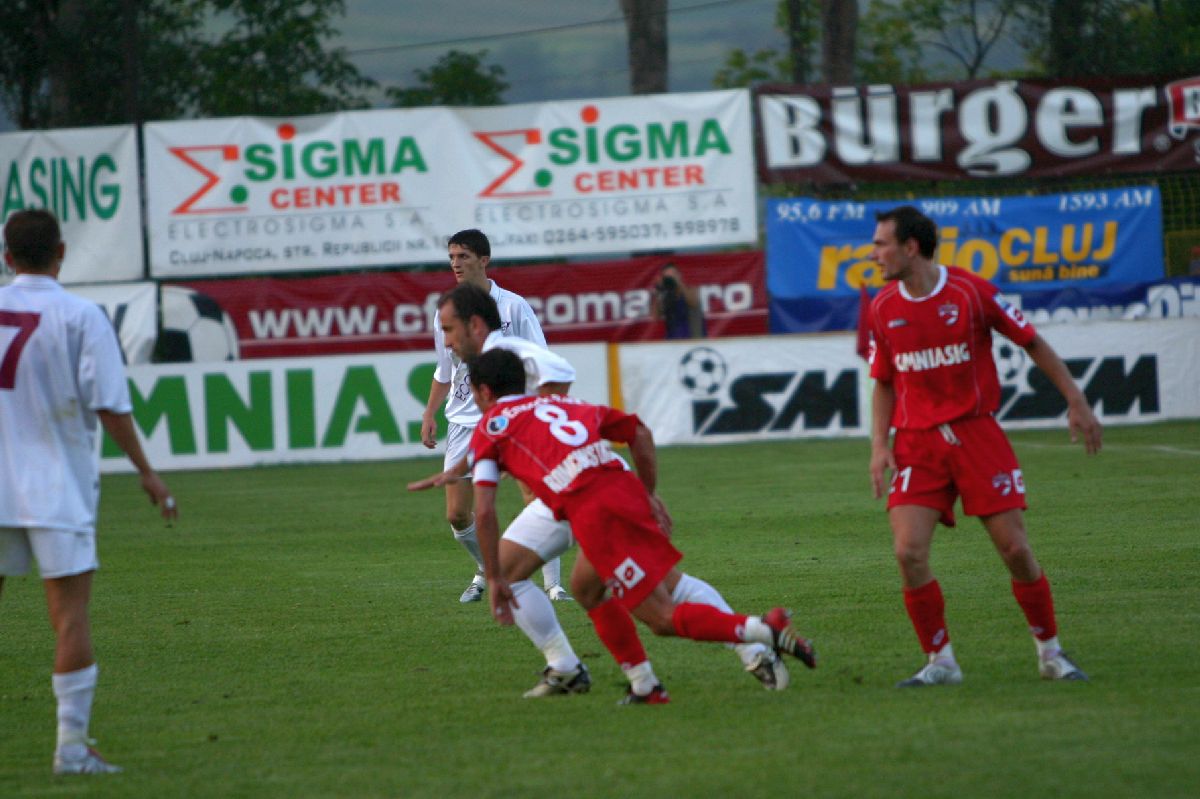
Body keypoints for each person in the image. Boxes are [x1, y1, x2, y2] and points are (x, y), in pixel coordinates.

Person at [410, 283, 791, 697]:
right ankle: (569, 668)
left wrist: (538, 438)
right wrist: (473, 463)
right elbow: (510, 423)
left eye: (449, 330)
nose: (445, 341)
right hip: (569, 487)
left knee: (662, 592)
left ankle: (754, 649)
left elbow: (557, 376)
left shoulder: (514, 350)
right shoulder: (489, 364)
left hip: (586, 483)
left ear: (475, 325)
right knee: (525, 573)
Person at [459, 347, 816, 703]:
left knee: (661, 616)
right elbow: (639, 432)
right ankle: (644, 685)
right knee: (585, 586)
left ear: (484, 392)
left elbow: (486, 512)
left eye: (447, 328)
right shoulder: (563, 403)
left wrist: (490, 577)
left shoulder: (491, 425)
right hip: (615, 487)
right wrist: (646, 494)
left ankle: (764, 631)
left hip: (594, 509)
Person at [866, 205, 1102, 687]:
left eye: (881, 244)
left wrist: (1075, 400)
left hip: (976, 435)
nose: (874, 254)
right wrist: (879, 444)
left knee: (1015, 548)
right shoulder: (882, 307)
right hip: (916, 444)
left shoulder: (972, 293)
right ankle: (940, 662)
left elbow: (1032, 342)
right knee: (908, 552)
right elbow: (884, 381)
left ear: (911, 247)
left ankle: (1051, 652)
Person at [0, 209, 178, 775]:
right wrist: (148, 473)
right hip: (55, 488)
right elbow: (110, 405)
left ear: (6, 257)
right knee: (70, 615)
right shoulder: (79, 316)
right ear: (62, 251)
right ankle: (71, 749)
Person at [419, 228, 568, 603]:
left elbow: (542, 360)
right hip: (465, 422)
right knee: (457, 514)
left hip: (516, 417)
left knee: (538, 497)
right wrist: (429, 413)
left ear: (483, 260)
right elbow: (445, 370)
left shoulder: (514, 307)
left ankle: (553, 585)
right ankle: (488, 568)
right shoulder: (446, 314)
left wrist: (541, 410)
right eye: (452, 257)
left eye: (463, 256)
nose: (455, 263)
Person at [651, 263, 706, 339]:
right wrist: (658, 293)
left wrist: (678, 283)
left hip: (693, 338)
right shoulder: (666, 295)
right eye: (667, 277)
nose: (671, 278)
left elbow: (694, 302)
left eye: (673, 275)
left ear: (679, 275)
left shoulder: (691, 290)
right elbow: (655, 317)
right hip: (673, 341)